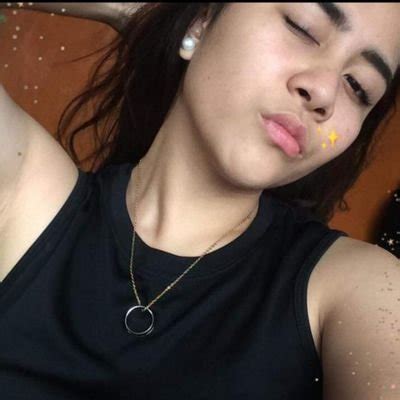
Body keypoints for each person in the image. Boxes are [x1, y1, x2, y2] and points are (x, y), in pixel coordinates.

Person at [0, 3, 399, 399]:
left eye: (359, 87)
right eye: (303, 27)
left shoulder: (361, 288)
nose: (324, 93)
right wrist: (155, 13)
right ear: (202, 20)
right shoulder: (26, 192)